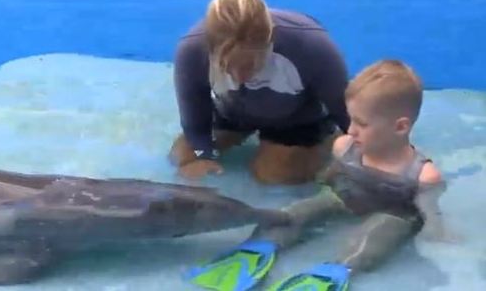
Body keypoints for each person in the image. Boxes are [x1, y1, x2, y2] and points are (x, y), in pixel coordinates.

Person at [184, 59, 453, 291]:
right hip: (345, 197)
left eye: (362, 123)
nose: (352, 129)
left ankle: (338, 269)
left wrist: (436, 234)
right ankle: (259, 247)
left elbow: (429, 216)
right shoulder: (346, 147)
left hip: (391, 210)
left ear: (400, 127)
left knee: (379, 230)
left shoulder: (422, 175)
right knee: (297, 211)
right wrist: (321, 182)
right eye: (351, 119)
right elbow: (332, 175)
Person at [168, 0, 350, 184]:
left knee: (273, 175)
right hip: (232, 113)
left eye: (250, 66)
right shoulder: (192, 50)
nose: (240, 78)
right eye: (227, 67)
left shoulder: (310, 46)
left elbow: (346, 113)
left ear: (270, 41)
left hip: (298, 119)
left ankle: (326, 141)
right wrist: (202, 156)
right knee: (183, 157)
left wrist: (350, 153)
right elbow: (195, 118)